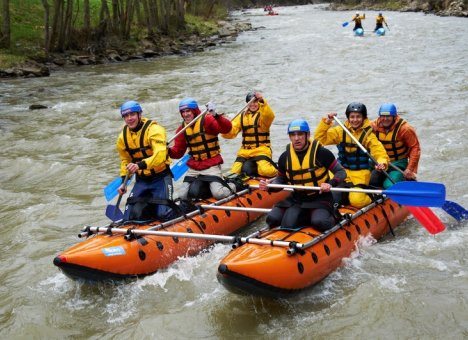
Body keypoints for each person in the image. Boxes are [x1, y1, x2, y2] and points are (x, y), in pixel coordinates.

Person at [259, 119, 347, 231]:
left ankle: (333, 216)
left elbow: (341, 172)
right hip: (297, 198)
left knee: (320, 222)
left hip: (319, 197)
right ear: (289, 137)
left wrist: (330, 184)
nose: (296, 138)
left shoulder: (322, 153)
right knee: (272, 219)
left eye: (300, 134)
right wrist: (269, 186)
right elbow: (281, 179)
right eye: (293, 135)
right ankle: (302, 217)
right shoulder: (284, 157)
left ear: (308, 135)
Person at [314, 102, 389, 208]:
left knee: (356, 201)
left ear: (363, 118)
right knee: (330, 196)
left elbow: (379, 152)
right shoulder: (340, 131)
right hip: (340, 172)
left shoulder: (368, 135)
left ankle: (372, 196)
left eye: (358, 117)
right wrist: (327, 122)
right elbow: (320, 139)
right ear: (348, 118)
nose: (355, 120)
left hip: (360, 175)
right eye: (352, 117)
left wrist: (382, 163)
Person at [116, 100, 176, 221]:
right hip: (142, 180)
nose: (129, 118)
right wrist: (124, 182)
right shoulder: (122, 137)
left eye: (132, 114)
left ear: (139, 114)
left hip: (161, 177)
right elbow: (125, 160)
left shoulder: (154, 130)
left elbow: (160, 155)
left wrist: (140, 165)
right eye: (126, 116)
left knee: (164, 215)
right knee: (129, 216)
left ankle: (174, 211)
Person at [168, 98, 239, 200]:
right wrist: (167, 150)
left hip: (211, 164)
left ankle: (232, 185)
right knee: (182, 195)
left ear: (195, 111)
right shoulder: (181, 129)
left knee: (219, 194)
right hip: (194, 167)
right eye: (183, 112)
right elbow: (178, 153)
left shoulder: (207, 120)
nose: (185, 114)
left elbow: (226, 129)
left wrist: (215, 115)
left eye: (188, 111)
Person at [221, 91, 278, 178]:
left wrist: (262, 100)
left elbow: (269, 116)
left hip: (261, 150)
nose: (253, 105)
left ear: (258, 102)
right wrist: (223, 125)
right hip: (245, 152)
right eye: (250, 102)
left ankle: (280, 173)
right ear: (247, 104)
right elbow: (231, 133)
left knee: (266, 171)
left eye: (255, 102)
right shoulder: (241, 116)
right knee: (234, 172)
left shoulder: (263, 115)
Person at [370, 103, 421, 189]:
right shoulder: (373, 126)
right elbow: (356, 126)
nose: (385, 119)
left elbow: (415, 148)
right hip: (379, 162)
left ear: (394, 116)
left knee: (389, 185)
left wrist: (409, 169)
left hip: (398, 163)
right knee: (366, 179)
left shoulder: (405, 129)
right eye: (383, 116)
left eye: (388, 116)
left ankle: (402, 181)